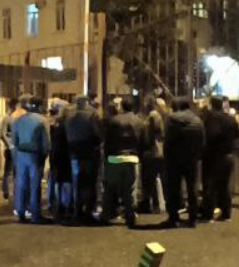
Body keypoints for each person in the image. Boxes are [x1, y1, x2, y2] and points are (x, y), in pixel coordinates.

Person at [100, 97, 146, 228]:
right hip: (131, 158)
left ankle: (106, 214)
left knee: (109, 188)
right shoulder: (139, 121)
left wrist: (107, 157)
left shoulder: (113, 120)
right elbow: (143, 141)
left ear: (122, 107)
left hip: (114, 158)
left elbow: (107, 140)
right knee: (130, 189)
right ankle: (130, 216)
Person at [161, 97, 205, 228]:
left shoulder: (171, 119)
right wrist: (198, 155)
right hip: (191, 158)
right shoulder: (197, 120)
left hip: (174, 159)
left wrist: (167, 156)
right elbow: (202, 140)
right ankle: (193, 218)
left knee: (173, 188)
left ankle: (173, 218)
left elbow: (167, 139)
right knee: (192, 188)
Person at [200, 95, 239, 221]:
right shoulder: (230, 119)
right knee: (224, 186)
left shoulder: (210, 119)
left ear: (211, 104)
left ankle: (208, 214)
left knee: (210, 186)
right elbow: (238, 135)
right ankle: (226, 214)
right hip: (228, 155)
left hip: (213, 156)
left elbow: (210, 135)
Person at [65, 94, 103, 223]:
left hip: (74, 153)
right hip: (89, 152)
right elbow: (97, 133)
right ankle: (89, 210)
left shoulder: (69, 115)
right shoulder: (92, 114)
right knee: (90, 182)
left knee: (77, 182)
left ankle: (77, 210)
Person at [13, 96, 50, 224]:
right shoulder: (42, 120)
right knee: (35, 185)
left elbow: (14, 139)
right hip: (35, 155)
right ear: (40, 106)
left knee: (21, 184)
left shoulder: (19, 120)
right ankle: (35, 214)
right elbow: (46, 142)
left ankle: (21, 212)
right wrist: (44, 155)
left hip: (21, 154)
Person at [137, 98, 166, 215]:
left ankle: (152, 204)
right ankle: (154, 204)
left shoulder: (153, 116)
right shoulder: (157, 116)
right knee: (152, 179)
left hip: (152, 152)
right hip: (156, 152)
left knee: (149, 179)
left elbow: (150, 135)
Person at [47, 101, 73, 220]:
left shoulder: (53, 124)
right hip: (65, 155)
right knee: (66, 180)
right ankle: (65, 204)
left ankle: (56, 204)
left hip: (56, 155)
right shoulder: (68, 125)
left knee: (56, 180)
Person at [0, 98, 19, 201]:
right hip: (10, 148)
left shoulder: (17, 118)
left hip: (17, 147)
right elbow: (2, 134)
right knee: (9, 171)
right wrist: (9, 145)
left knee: (16, 171)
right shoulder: (7, 118)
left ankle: (14, 191)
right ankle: (6, 191)